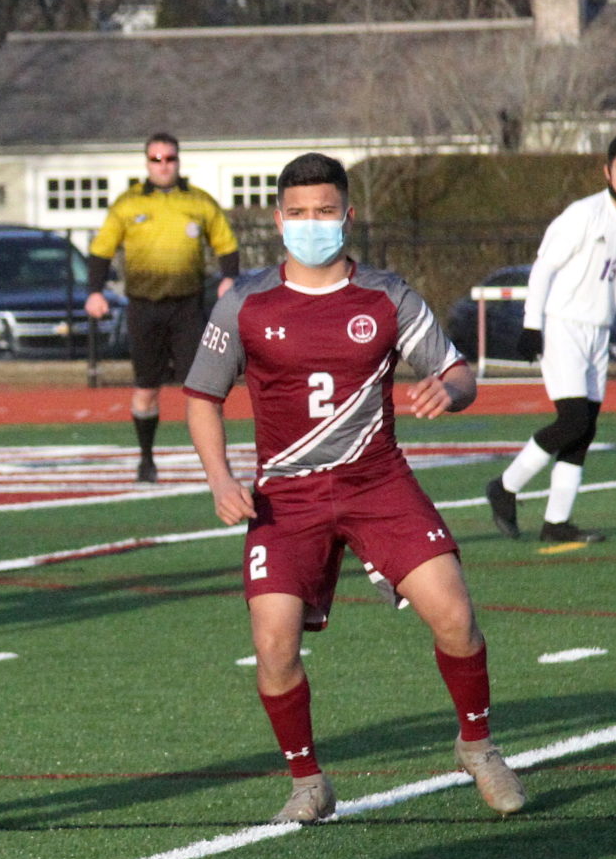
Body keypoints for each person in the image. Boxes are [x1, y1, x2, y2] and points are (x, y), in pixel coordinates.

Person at [182, 152, 524, 825]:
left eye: (326, 212)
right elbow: (201, 397)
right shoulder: (244, 303)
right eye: (300, 213)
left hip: (378, 482)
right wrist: (219, 478)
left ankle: (477, 743)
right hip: (287, 495)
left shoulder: (387, 295)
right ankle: (308, 781)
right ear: (280, 219)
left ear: (348, 215)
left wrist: (447, 392)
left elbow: (460, 373)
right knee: (275, 644)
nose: (313, 224)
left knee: (455, 613)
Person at [486, 132, 616, 546]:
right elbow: (543, 269)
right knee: (572, 419)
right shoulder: (583, 214)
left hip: (598, 332)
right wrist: (532, 324)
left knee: (584, 429)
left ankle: (556, 522)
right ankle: (505, 486)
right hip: (563, 325)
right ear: (607, 171)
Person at [83, 134, 239, 483]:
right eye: (156, 159)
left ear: (178, 160)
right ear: (147, 163)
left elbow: (226, 244)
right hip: (144, 308)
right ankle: (147, 459)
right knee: (146, 388)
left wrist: (230, 277)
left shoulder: (199, 202)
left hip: (187, 307)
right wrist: (94, 290)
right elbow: (101, 250)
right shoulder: (128, 203)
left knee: (203, 388)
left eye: (169, 158)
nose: (163, 165)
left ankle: (214, 465)